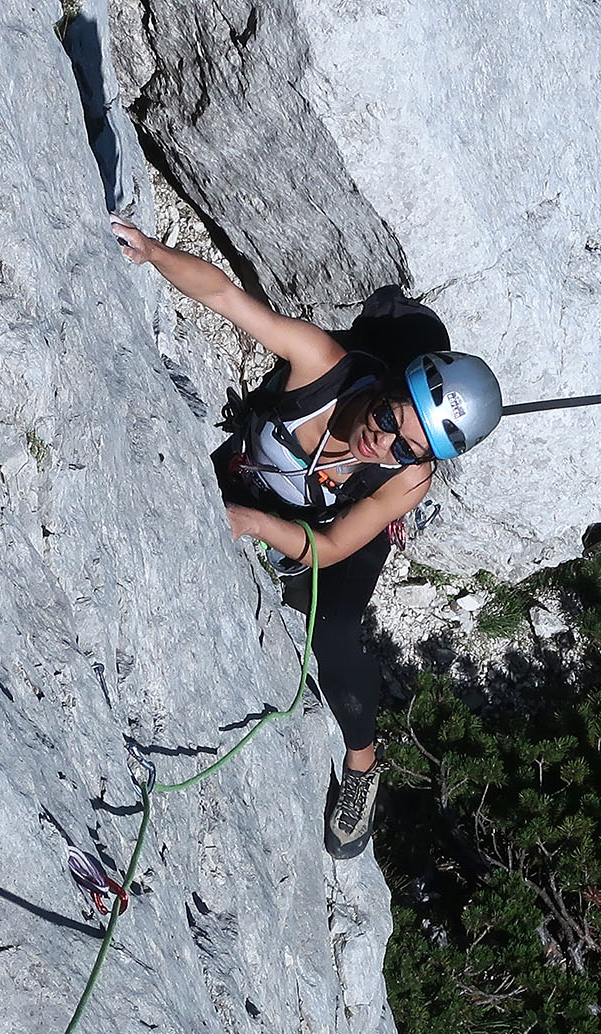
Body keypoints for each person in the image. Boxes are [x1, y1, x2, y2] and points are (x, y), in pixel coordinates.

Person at [110, 215, 502, 858]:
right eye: (391, 418)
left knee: (331, 630)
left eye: (408, 448)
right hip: (258, 475)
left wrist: (261, 527)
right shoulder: (322, 366)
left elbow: (329, 549)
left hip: (335, 525)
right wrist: (152, 253)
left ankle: (363, 764)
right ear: (393, 385)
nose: (386, 442)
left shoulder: (404, 480)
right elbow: (226, 298)